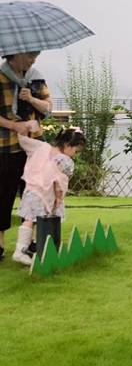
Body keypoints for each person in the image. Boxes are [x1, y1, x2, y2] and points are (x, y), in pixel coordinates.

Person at [0, 52, 53, 261]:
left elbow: (48, 107)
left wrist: (30, 98)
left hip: (35, 147)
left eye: (36, 54)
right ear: (16, 55)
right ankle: (0, 245)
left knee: (34, 193)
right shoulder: (1, 77)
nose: (34, 59)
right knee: (3, 195)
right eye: (30, 55)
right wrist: (14, 125)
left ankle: (29, 242)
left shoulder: (35, 78)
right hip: (6, 146)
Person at [12, 127, 85, 266]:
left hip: (31, 190)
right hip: (46, 195)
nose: (75, 155)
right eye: (75, 151)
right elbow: (60, 183)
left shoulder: (41, 147)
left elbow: (24, 141)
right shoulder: (64, 161)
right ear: (67, 145)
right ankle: (24, 251)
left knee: (29, 219)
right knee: (40, 221)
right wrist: (59, 198)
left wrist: (24, 128)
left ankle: (25, 248)